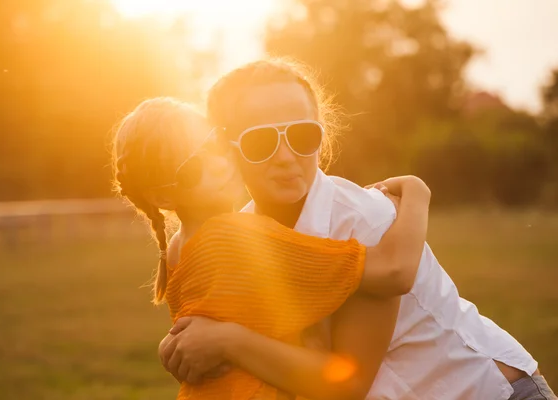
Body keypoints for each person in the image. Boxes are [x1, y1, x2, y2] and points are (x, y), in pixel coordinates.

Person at [159, 58, 557, 400]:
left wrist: (228, 341)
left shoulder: (363, 222)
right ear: (227, 150)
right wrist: (180, 345)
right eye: (260, 141)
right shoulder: (239, 237)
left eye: (302, 135)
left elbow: (347, 383)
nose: (285, 157)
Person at [113, 96, 431, 400]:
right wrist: (417, 192)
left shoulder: (177, 251)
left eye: (213, 144)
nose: (220, 165)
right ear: (164, 199)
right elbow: (395, 270)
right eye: (194, 170)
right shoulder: (233, 237)